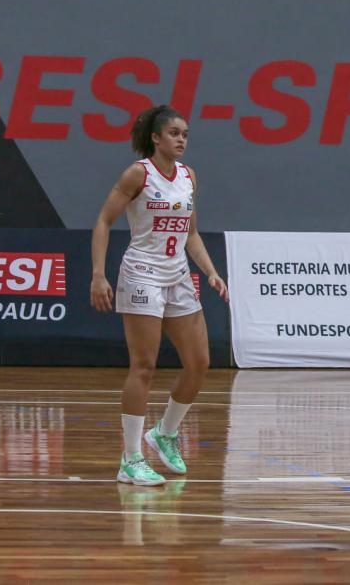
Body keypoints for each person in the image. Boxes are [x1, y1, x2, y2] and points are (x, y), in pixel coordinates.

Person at [89, 105, 228, 486]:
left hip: (178, 274)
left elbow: (192, 234)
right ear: (155, 137)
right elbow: (103, 220)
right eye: (174, 133)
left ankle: (164, 433)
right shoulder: (139, 173)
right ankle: (130, 459)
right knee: (144, 366)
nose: (181, 139)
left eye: (185, 134)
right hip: (142, 274)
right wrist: (98, 275)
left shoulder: (188, 176)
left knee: (199, 363)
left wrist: (211, 272)